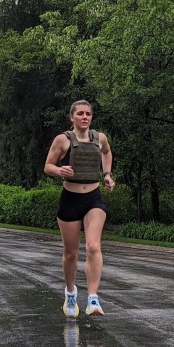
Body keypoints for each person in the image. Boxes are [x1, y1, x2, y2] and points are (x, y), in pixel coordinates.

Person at [44, 100, 115, 317]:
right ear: (72, 117)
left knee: (93, 246)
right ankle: (70, 293)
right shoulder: (63, 140)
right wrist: (59, 171)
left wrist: (107, 174)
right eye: (80, 114)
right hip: (70, 199)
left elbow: (107, 152)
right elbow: (48, 166)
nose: (84, 117)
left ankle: (93, 298)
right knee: (71, 253)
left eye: (88, 114)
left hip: (93, 198)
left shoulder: (99, 138)